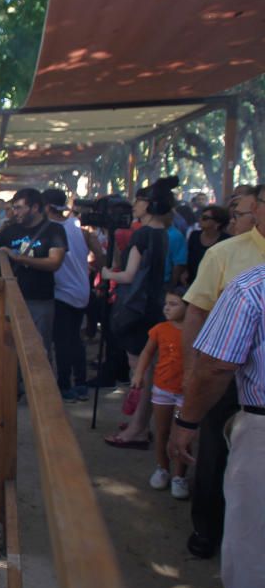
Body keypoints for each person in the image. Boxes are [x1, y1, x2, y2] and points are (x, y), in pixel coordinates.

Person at [168, 263, 265, 588]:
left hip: (260, 433)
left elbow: (215, 367)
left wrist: (187, 422)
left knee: (254, 552)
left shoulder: (252, 287)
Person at [175, 183, 264, 558]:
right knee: (214, 454)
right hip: (225, 377)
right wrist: (189, 374)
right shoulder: (225, 255)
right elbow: (195, 314)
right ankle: (207, 529)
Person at [101, 177, 175, 449]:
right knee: (146, 369)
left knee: (141, 372)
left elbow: (129, 275)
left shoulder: (142, 234)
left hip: (136, 309)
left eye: (140, 200)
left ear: (151, 204)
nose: (134, 205)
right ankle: (139, 424)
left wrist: (108, 273)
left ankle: (138, 428)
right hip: (153, 307)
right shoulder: (164, 233)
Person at [0, 188, 67, 358]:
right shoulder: (10, 230)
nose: (15, 212)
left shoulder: (54, 230)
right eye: (14, 208)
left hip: (40, 300)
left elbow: (54, 263)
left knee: (39, 350)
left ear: (35, 207)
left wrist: (20, 259)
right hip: (10, 299)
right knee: (9, 351)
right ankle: (15, 385)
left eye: (19, 208)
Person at [43, 188, 103, 403]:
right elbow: (101, 256)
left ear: (47, 207)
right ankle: (81, 384)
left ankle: (65, 386)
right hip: (82, 290)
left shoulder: (49, 229)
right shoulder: (80, 229)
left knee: (62, 341)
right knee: (75, 339)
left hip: (63, 292)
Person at [130, 288, 189, 499]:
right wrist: (139, 373)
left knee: (182, 435)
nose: (167, 307)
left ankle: (180, 476)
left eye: (174, 304)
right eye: (166, 303)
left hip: (186, 392)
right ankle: (162, 468)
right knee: (162, 431)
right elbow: (147, 352)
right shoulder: (159, 329)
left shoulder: (197, 331)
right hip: (163, 388)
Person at [184, 205, 229, 285]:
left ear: (218, 223)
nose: (200, 219)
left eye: (205, 218)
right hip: (191, 281)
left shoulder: (226, 240)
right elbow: (189, 257)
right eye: (201, 216)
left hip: (212, 284)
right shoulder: (194, 235)